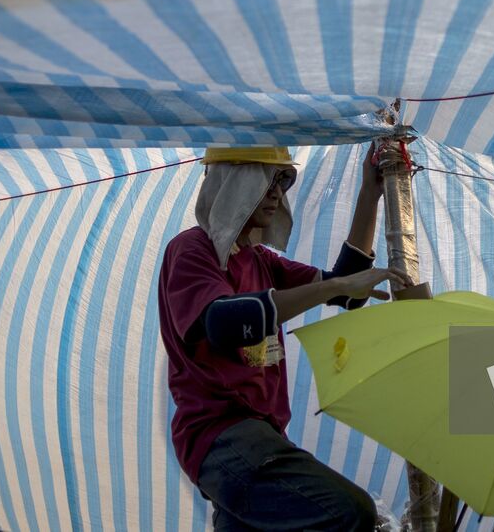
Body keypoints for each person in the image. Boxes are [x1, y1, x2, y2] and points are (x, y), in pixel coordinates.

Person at [158, 143, 411, 531]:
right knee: (351, 512)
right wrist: (334, 287)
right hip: (223, 436)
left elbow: (344, 289)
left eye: (282, 180)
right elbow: (222, 323)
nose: (278, 191)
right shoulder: (192, 250)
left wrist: (369, 193)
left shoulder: (261, 260)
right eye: (267, 178)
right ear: (231, 181)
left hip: (259, 439)